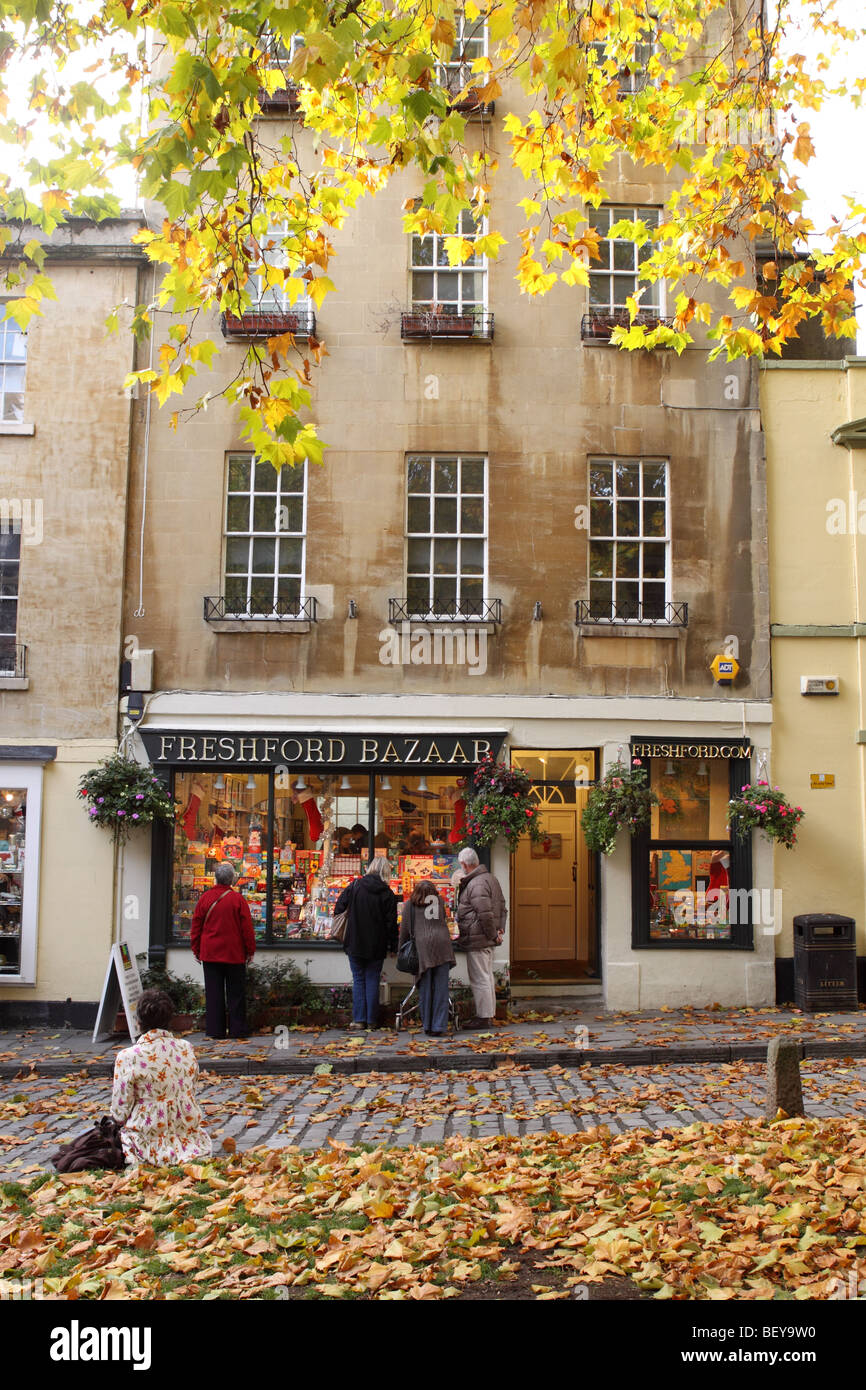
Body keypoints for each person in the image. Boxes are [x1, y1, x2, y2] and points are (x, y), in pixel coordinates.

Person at [110, 989, 212, 1166]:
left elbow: (120, 1109)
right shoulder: (186, 1048)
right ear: (170, 1019)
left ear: (139, 1021)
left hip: (146, 1135)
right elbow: (191, 1086)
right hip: (185, 1132)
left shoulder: (128, 1056)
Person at [191, 862, 256, 1039]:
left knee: (213, 993)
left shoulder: (205, 898)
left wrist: (196, 949)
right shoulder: (237, 900)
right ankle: (237, 1029)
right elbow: (247, 929)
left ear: (216, 878)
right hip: (234, 953)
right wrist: (250, 950)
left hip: (210, 953)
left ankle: (215, 1030)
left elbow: (196, 925)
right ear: (232, 880)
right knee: (236, 993)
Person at [334, 856, 398, 1030]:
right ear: (386, 872)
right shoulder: (387, 894)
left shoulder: (355, 887)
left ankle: (359, 1020)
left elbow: (339, 908)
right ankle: (371, 1020)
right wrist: (394, 946)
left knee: (359, 979)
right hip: (377, 944)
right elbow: (391, 924)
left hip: (354, 941)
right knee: (372, 980)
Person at [454, 846, 506, 1030]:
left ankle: (484, 1017)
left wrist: (493, 934)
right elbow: (502, 907)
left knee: (480, 978)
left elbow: (484, 914)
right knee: (486, 977)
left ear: (464, 864)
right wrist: (500, 932)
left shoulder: (475, 883)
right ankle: (488, 1015)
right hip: (486, 938)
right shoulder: (490, 878)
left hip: (478, 939)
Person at [398, 879, 455, 1036]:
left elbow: (405, 930)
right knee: (441, 988)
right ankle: (439, 1026)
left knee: (425, 987)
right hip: (442, 946)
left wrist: (400, 950)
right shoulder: (440, 901)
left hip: (423, 948)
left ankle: (428, 1026)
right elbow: (443, 918)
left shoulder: (410, 905)